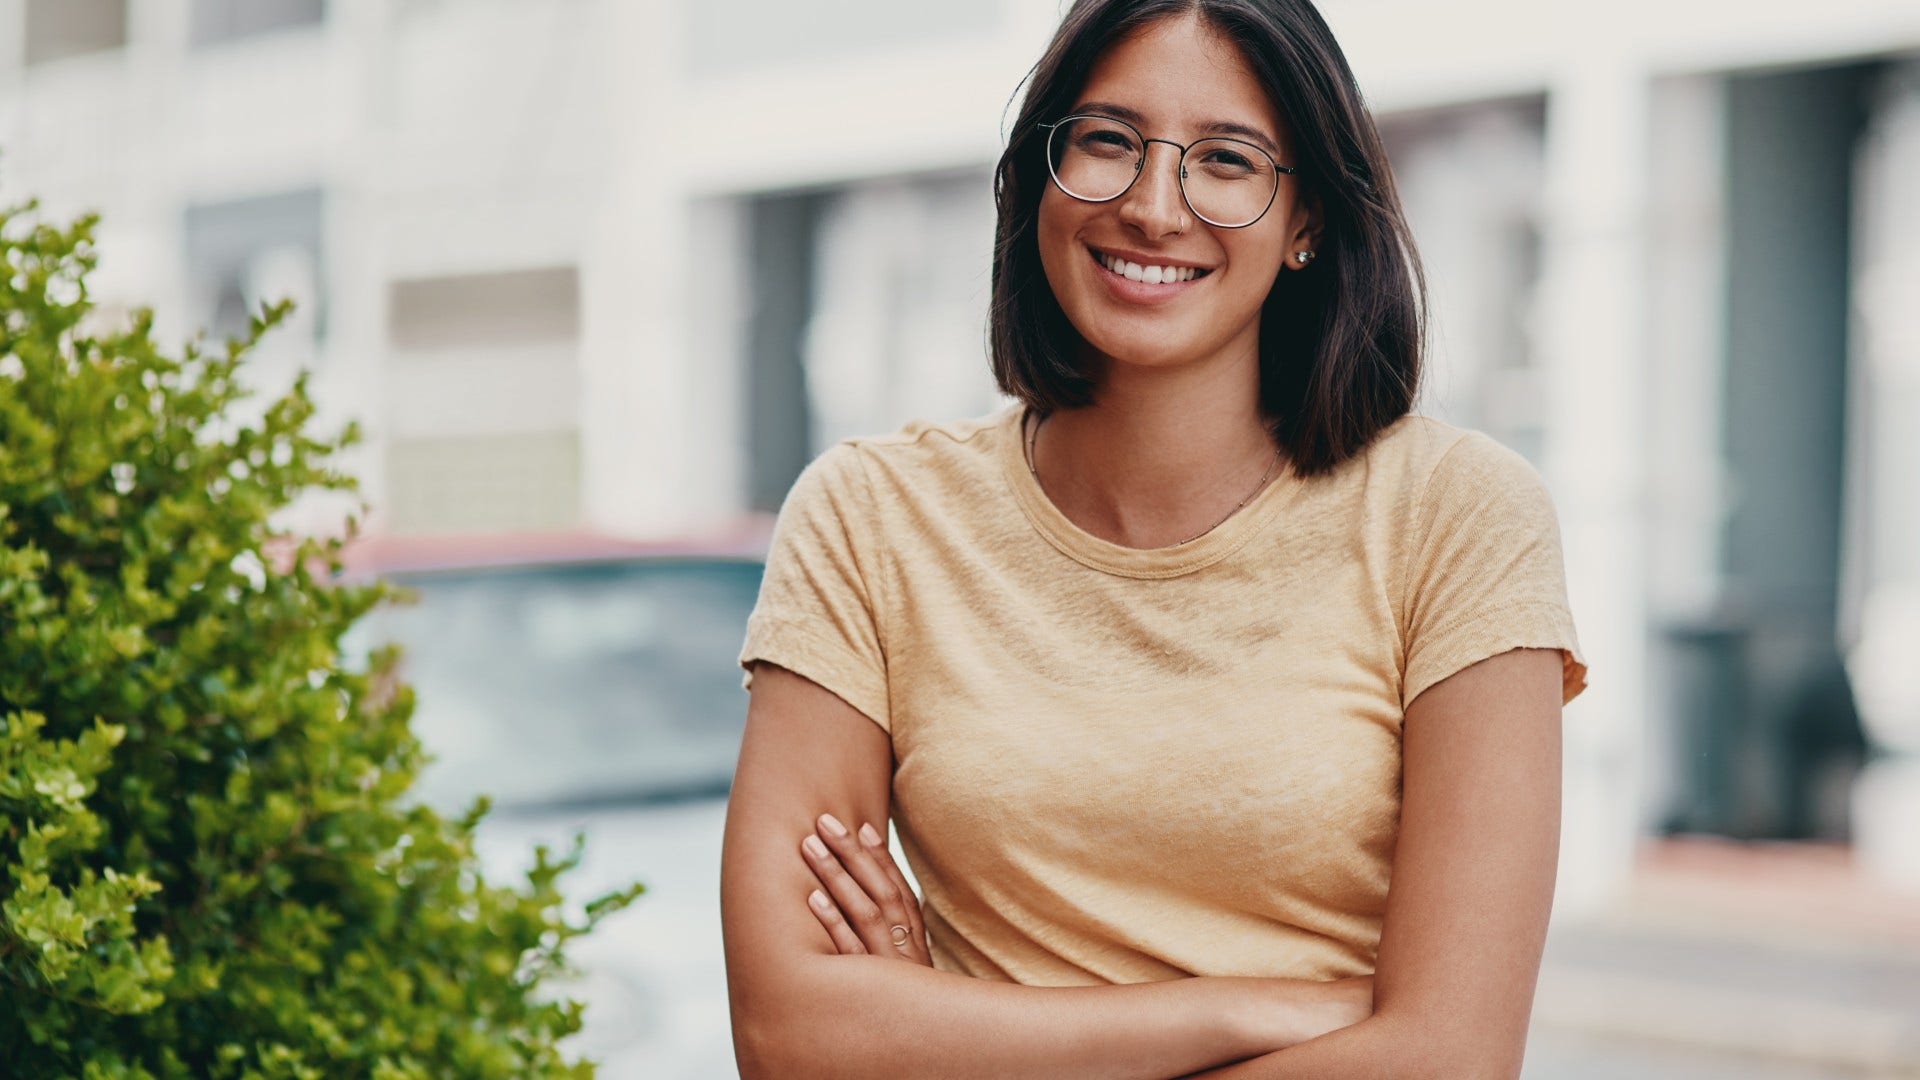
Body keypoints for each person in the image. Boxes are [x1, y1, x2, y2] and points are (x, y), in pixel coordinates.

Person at [720, 0, 1589, 1076]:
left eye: (1226, 160)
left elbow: (1449, 1060)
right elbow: (790, 1036)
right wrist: (1239, 1013)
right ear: (1039, 172)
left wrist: (944, 1037)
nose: (1151, 206)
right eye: (1107, 140)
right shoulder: (870, 517)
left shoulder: (1457, 515)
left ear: (1307, 218)